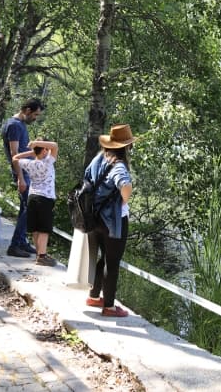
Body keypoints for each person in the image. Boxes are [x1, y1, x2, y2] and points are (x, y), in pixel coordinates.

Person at [84, 124, 136, 318]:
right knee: (112, 263)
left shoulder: (99, 158)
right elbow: (126, 185)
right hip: (113, 221)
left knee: (103, 258)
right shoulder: (119, 165)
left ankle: (94, 296)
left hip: (94, 218)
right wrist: (121, 201)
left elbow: (87, 178)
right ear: (125, 147)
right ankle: (109, 307)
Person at [1, 98, 44, 258]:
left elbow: (22, 150)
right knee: (29, 208)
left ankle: (22, 242)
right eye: (35, 114)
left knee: (25, 208)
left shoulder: (19, 125)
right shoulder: (13, 125)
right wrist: (20, 178)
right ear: (27, 110)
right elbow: (14, 154)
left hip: (27, 172)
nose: (35, 118)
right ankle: (14, 246)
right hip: (22, 174)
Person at [13, 138, 59, 266]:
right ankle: (42, 257)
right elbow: (55, 145)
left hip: (32, 196)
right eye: (46, 149)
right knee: (44, 229)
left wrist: (32, 152)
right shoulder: (48, 162)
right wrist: (36, 147)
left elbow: (15, 158)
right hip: (45, 198)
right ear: (44, 149)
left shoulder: (29, 163)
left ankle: (39, 254)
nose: (49, 150)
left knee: (35, 228)